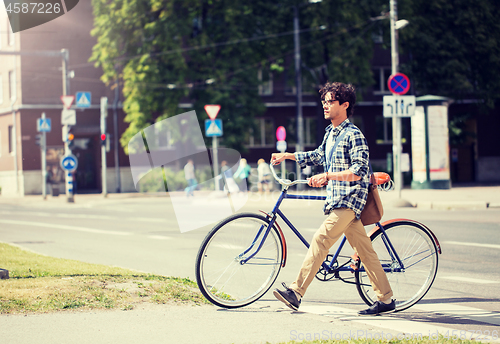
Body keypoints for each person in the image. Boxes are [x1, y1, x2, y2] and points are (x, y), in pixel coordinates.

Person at [270, 82, 394, 316]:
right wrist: (288, 155)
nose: (325, 106)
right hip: (337, 200)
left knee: (321, 239)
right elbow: (317, 155)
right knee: (366, 253)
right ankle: (386, 299)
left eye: (330, 101)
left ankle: (296, 292)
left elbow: (359, 171)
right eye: (324, 101)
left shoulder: (354, 135)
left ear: (345, 105)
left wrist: (328, 175)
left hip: (349, 200)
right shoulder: (331, 133)